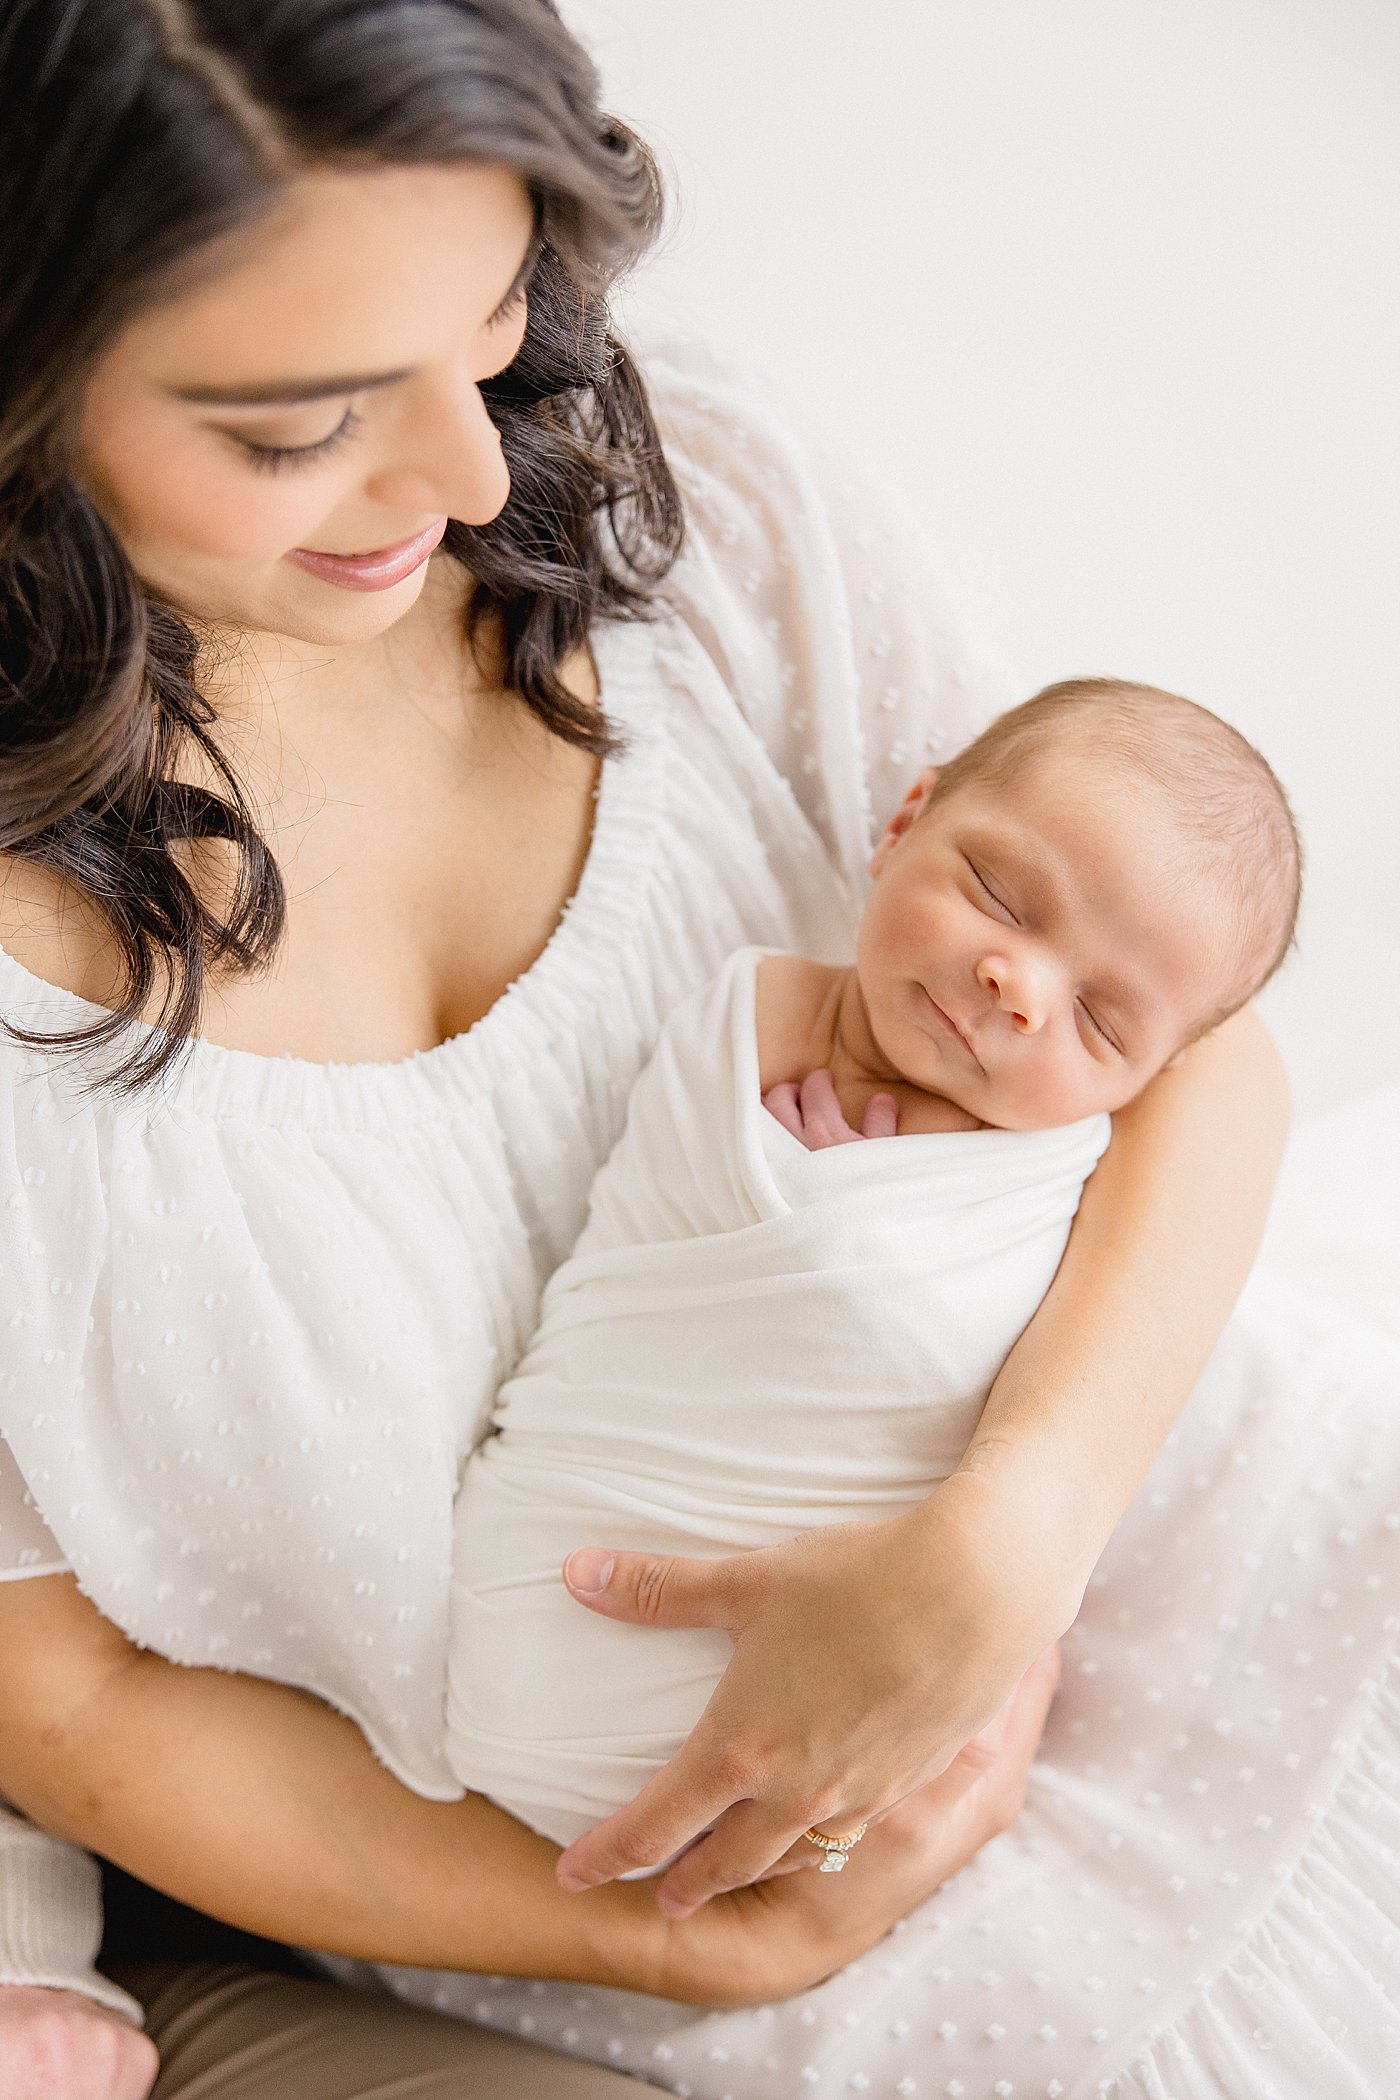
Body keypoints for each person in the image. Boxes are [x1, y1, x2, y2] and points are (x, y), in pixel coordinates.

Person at [0, 1, 1325, 2095]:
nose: (462, 464)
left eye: (495, 307)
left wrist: (1009, 1538)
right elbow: (61, 1710)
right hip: (632, 1908)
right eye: (296, 426)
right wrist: (694, 1938)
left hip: (1222, 1576)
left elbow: (1198, 1047)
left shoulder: (680, 492)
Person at [446, 678, 1304, 1847]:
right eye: (998, 896)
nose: (1021, 987)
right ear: (903, 824)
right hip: (547, 1608)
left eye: (1101, 1024)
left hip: (887, 1733)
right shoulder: (739, 1013)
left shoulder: (1056, 1175)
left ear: (1151, 1078)